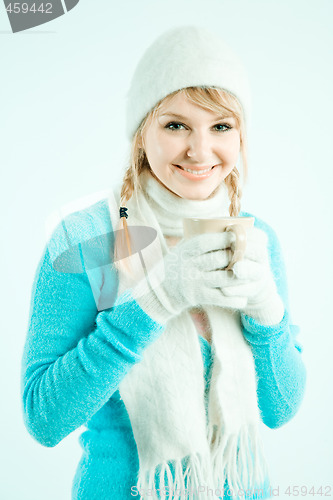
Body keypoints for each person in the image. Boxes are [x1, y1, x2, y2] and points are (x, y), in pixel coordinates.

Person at [21, 25, 306, 500]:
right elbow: (44, 420)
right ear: (141, 134)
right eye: (175, 125)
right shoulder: (87, 240)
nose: (200, 151)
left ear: (240, 136)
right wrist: (156, 299)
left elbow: (281, 410)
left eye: (220, 126)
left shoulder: (257, 240)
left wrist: (268, 314)